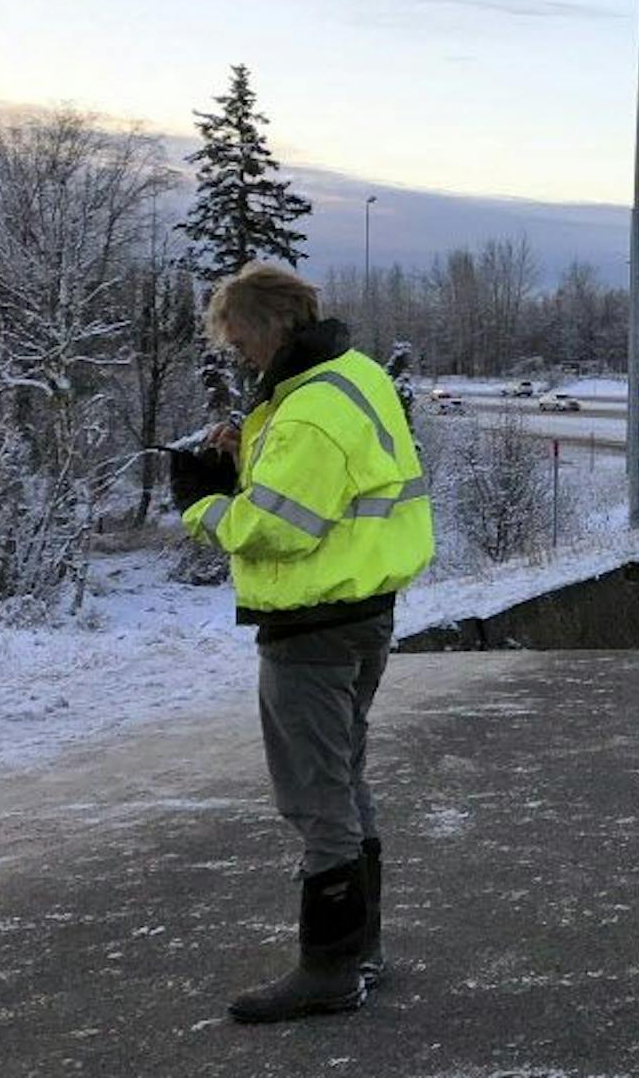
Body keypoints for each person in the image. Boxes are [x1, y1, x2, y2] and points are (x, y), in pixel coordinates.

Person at [172, 263, 432, 1025]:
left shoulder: (311, 408)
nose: (241, 356)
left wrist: (204, 503)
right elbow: (332, 485)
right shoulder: (348, 375)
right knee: (343, 779)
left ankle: (328, 970)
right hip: (361, 609)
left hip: (312, 625)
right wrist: (248, 448)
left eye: (243, 340)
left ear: (274, 328)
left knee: (315, 795)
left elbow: (279, 526)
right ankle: (361, 952)